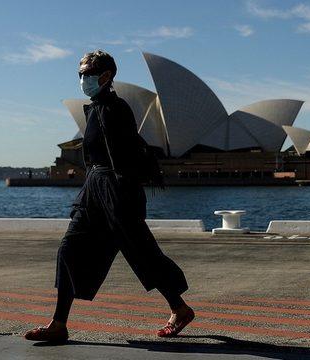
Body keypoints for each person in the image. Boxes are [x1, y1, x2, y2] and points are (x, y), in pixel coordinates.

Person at [24, 50, 194, 343]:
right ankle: (58, 323)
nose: (82, 79)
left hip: (116, 190)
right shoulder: (95, 108)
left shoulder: (116, 109)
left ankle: (179, 308)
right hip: (94, 188)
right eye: (79, 74)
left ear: (105, 76)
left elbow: (123, 158)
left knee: (142, 253)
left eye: (86, 74)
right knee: (69, 248)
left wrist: (120, 197)